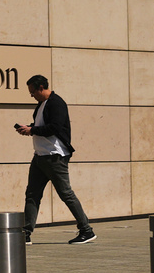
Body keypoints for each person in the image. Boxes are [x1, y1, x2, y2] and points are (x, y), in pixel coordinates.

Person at [14, 75, 96, 245]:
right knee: (32, 195)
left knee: (66, 194)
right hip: (40, 156)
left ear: (41, 87)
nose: (31, 95)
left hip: (54, 157)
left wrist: (32, 130)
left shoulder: (56, 103)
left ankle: (86, 230)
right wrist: (29, 128)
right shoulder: (41, 104)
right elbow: (43, 126)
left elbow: (54, 127)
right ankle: (26, 233)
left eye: (33, 92)